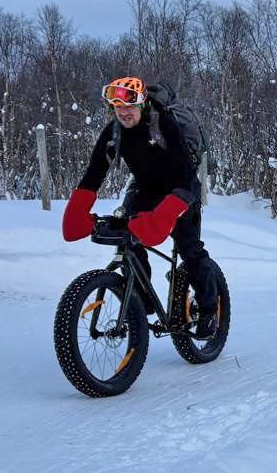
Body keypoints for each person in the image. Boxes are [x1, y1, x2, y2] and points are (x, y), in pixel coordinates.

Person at [60, 76, 219, 337]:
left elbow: (184, 172)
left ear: (142, 103)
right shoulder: (114, 132)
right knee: (128, 237)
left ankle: (210, 310)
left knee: (189, 250)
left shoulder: (162, 123)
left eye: (129, 105)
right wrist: (79, 209)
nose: (123, 112)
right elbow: (95, 172)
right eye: (117, 106)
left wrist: (168, 212)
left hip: (181, 187)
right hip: (144, 190)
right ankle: (141, 300)